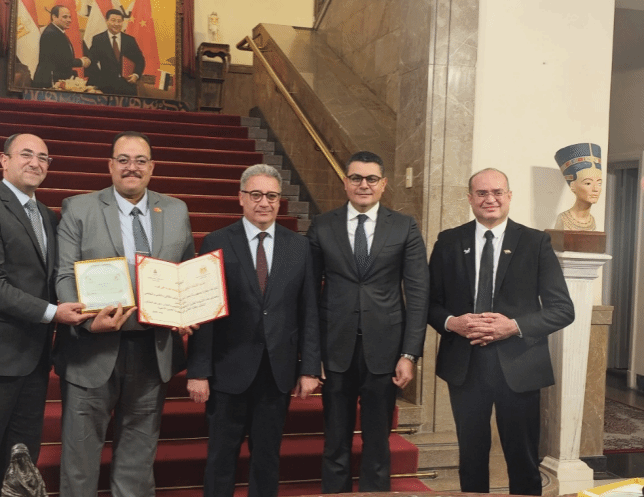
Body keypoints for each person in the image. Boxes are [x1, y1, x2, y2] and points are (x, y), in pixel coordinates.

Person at [0, 134, 90, 496]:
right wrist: (54, 312)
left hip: (31, 362)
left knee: (21, 466)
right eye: (26, 154)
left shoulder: (48, 216)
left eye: (43, 157)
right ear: (4, 160)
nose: (35, 163)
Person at [54, 131, 195, 497]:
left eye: (140, 161)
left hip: (152, 349)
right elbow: (65, 274)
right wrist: (88, 320)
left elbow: (186, 271)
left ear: (152, 167)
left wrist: (188, 307)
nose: (132, 167)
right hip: (93, 350)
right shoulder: (79, 208)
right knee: (80, 459)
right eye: (123, 160)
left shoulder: (176, 210)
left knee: (138, 458)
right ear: (110, 165)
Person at [428, 168, 575, 496]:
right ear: (470, 199)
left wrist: (514, 326)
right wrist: (452, 322)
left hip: (520, 366)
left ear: (509, 196)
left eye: (497, 192)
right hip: (465, 367)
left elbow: (563, 309)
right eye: (481, 193)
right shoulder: (449, 241)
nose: (490, 199)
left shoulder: (535, 242)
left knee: (523, 461)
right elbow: (429, 303)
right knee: (471, 459)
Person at [186, 164, 321, 497]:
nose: (264, 202)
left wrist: (309, 368)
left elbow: (309, 311)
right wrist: (198, 371)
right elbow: (204, 310)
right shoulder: (217, 241)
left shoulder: (299, 247)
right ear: (241, 197)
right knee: (221, 457)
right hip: (227, 370)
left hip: (277, 372)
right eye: (257, 194)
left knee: (267, 458)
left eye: (272, 196)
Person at [306, 151, 429, 494]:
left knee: (377, 443)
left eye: (371, 178)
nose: (364, 184)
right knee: (335, 441)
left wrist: (409, 354)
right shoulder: (322, 225)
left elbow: (418, 294)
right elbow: (308, 295)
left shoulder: (404, 226)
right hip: (335, 349)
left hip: (385, 352)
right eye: (356, 178)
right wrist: (311, 354)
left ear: (383, 184)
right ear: (345, 182)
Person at [87, 9, 145, 96]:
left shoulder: (129, 40)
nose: (116, 24)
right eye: (113, 20)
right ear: (107, 21)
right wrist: (97, 84)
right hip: (105, 87)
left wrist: (136, 75)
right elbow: (92, 62)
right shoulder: (98, 39)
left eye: (119, 21)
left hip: (127, 86)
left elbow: (140, 60)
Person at [32, 5, 90, 88]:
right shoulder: (51, 33)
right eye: (65, 17)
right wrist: (82, 62)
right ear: (54, 17)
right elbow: (61, 61)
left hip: (56, 80)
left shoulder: (57, 31)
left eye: (70, 17)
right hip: (49, 82)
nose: (69, 20)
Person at [554, 142, 603, 231]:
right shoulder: (563, 219)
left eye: (599, 183)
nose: (596, 189)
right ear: (573, 186)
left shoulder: (592, 220)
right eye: (588, 183)